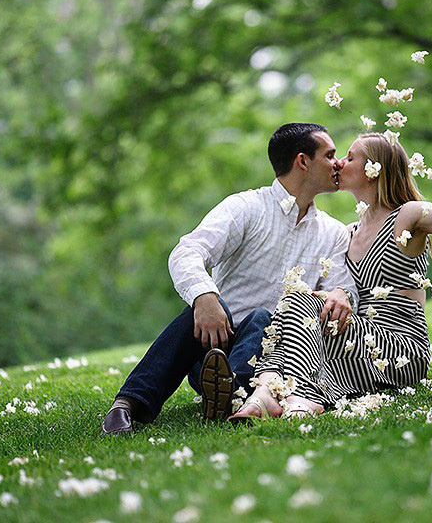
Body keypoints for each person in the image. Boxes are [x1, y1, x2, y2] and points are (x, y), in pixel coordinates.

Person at [229, 132, 432, 420]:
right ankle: (267, 392)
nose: (340, 163)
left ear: (375, 169)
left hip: (399, 350)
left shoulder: (407, 215)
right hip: (357, 342)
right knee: (295, 301)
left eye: (350, 157)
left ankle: (298, 397)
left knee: (301, 302)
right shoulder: (349, 232)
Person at [102, 123, 359, 434]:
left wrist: (341, 293)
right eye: (329, 155)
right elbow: (187, 251)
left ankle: (230, 396)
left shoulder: (332, 233)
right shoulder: (247, 207)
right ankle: (128, 404)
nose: (338, 163)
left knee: (262, 317)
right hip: (215, 351)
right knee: (198, 310)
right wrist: (204, 297)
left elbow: (344, 287)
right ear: (302, 161)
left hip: (280, 362)